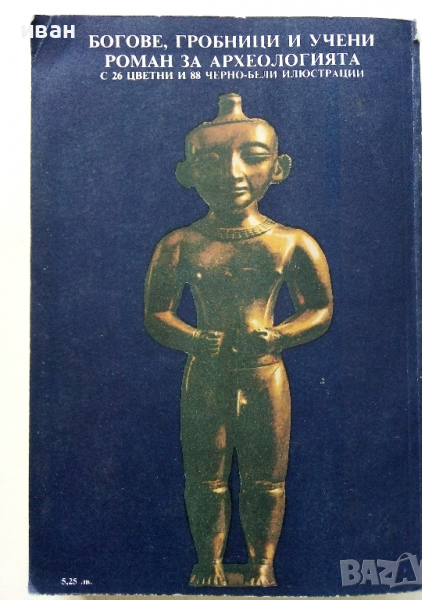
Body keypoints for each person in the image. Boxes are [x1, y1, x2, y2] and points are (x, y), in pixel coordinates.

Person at [144, 93, 333, 587]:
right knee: (204, 478)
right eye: (211, 159)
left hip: (264, 372)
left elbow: (320, 309)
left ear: (279, 167)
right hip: (205, 374)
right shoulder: (179, 245)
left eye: (252, 156)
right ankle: (208, 563)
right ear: (186, 173)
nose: (232, 173)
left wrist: (279, 334)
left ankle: (262, 563)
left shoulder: (291, 243)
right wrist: (192, 338)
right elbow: (157, 314)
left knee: (266, 479)